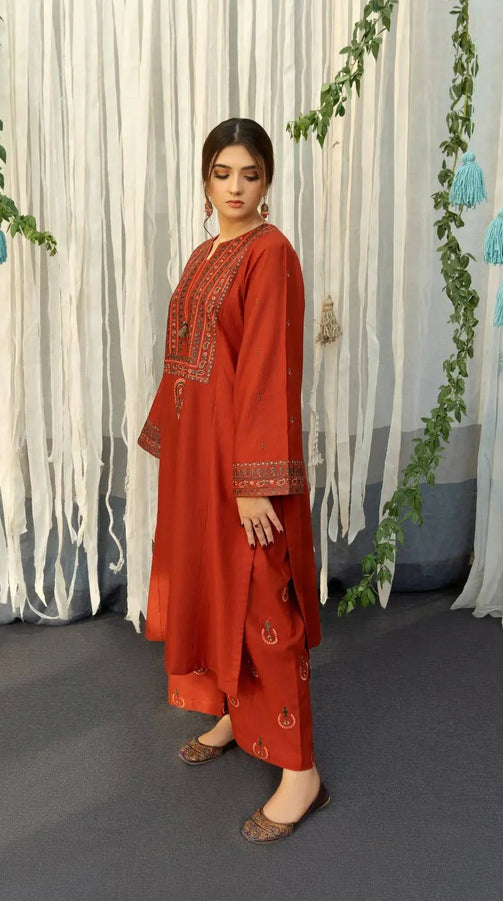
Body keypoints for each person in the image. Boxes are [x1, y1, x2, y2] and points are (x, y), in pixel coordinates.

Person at [138, 117, 330, 843]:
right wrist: (176, 442)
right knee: (214, 586)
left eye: (250, 174)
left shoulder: (270, 254)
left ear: (268, 180)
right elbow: (187, 355)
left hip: (244, 463)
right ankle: (230, 709)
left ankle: (302, 773)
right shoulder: (203, 254)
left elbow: (265, 371)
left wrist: (254, 480)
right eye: (223, 173)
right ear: (206, 179)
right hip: (199, 460)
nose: (236, 188)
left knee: (262, 597)